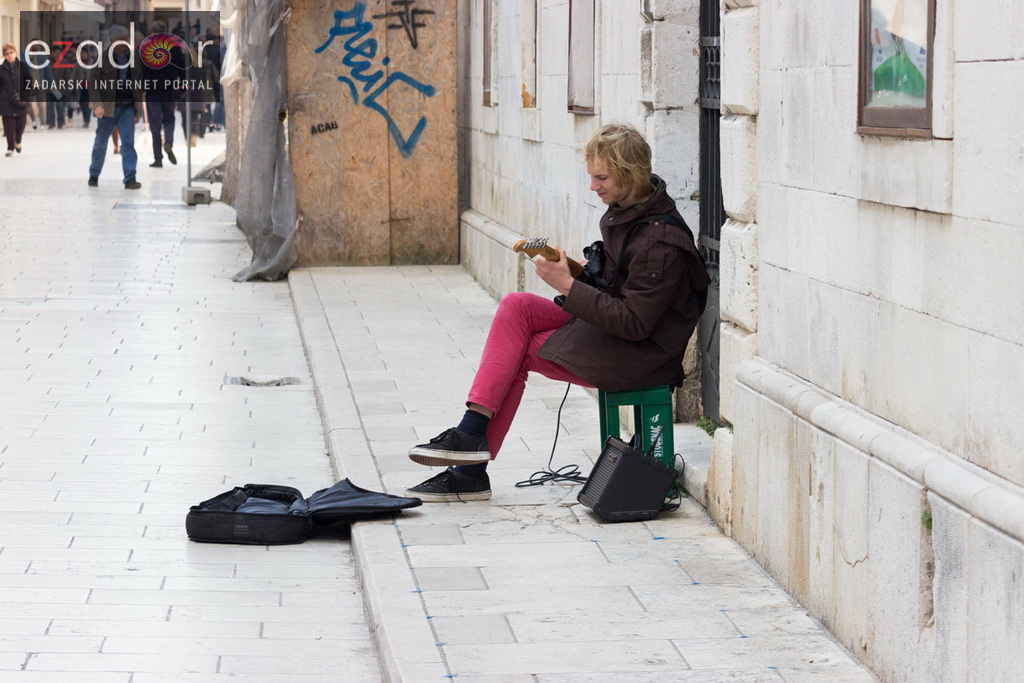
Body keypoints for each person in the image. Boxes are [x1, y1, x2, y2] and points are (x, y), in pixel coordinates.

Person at [405, 123, 711, 502]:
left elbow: (634, 323)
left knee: (523, 352)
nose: (593, 187)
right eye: (592, 176)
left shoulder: (659, 244)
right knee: (517, 306)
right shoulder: (629, 211)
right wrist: (578, 272)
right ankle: (469, 444)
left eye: (601, 177)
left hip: (641, 355)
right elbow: (620, 289)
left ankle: (469, 465)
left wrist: (567, 285)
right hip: (617, 333)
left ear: (630, 175)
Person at [87, 25, 143, 189]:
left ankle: (130, 178)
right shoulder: (102, 58)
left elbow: (138, 84)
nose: (124, 43)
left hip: (128, 107)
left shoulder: (134, 58)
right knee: (100, 143)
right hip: (107, 108)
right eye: (121, 40)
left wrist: (138, 109)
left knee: (128, 143)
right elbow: (94, 84)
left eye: (126, 39)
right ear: (111, 42)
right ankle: (94, 174)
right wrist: (97, 105)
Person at [142, 21, 177, 167]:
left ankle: (158, 159)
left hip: (152, 92)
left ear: (152, 31)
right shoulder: (173, 47)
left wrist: (142, 87)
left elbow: (142, 70)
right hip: (169, 90)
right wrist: (181, 87)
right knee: (169, 119)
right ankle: (168, 142)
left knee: (155, 126)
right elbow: (179, 68)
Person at [0, 43, 31, 157]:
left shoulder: (23, 67)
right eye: (7, 54)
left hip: (21, 101)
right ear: (4, 56)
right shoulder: (1, 69)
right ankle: (10, 148)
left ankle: (18, 141)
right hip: (6, 102)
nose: (9, 55)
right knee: (9, 127)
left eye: (11, 53)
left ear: (15, 53)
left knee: (20, 125)